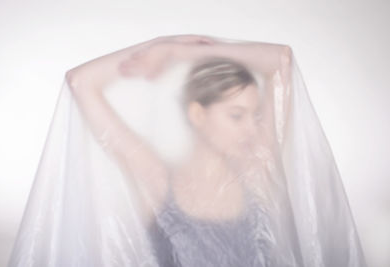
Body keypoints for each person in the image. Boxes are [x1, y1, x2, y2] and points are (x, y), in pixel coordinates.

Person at [65, 35, 294, 266]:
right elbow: (81, 81)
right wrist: (159, 48)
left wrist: (179, 53)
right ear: (198, 115)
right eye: (236, 116)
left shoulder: (256, 172)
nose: (252, 129)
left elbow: (281, 61)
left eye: (255, 117)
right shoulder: (159, 182)